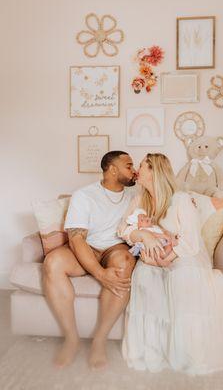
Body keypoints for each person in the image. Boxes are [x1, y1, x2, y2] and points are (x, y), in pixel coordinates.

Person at [118, 153, 223, 374]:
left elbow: (190, 240)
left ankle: (188, 352)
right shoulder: (139, 199)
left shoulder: (180, 199)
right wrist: (143, 235)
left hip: (184, 254)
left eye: (141, 166)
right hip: (154, 255)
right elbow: (123, 229)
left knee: (183, 276)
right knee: (144, 276)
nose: (137, 169)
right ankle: (152, 351)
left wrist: (167, 259)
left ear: (153, 171)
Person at [43, 151, 137, 369]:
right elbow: (76, 240)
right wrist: (100, 273)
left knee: (124, 263)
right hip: (87, 247)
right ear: (113, 169)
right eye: (129, 166)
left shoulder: (136, 197)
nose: (134, 171)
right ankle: (71, 338)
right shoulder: (84, 195)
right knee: (53, 262)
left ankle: (99, 339)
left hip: (115, 249)